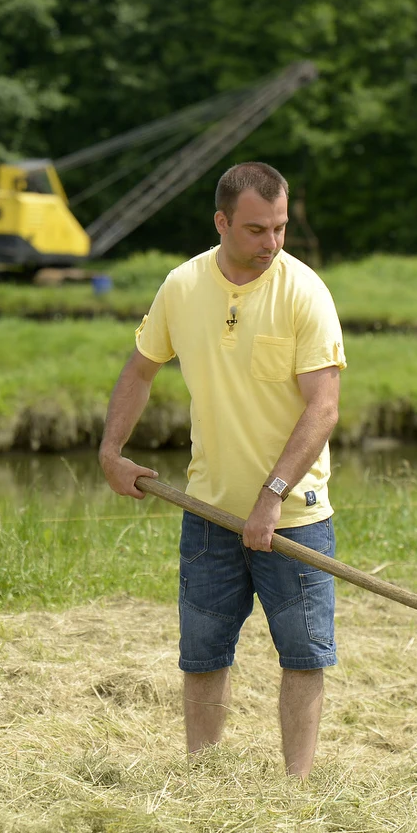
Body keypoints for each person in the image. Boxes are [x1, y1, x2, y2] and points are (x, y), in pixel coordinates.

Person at [98, 161, 347, 779]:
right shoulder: (182, 287)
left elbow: (324, 408)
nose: (272, 244)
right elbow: (139, 370)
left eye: (281, 228)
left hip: (293, 518)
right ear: (221, 222)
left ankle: (297, 791)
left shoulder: (304, 291)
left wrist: (272, 497)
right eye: (258, 230)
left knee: (303, 656)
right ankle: (203, 782)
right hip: (208, 511)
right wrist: (110, 452)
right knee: (204, 655)